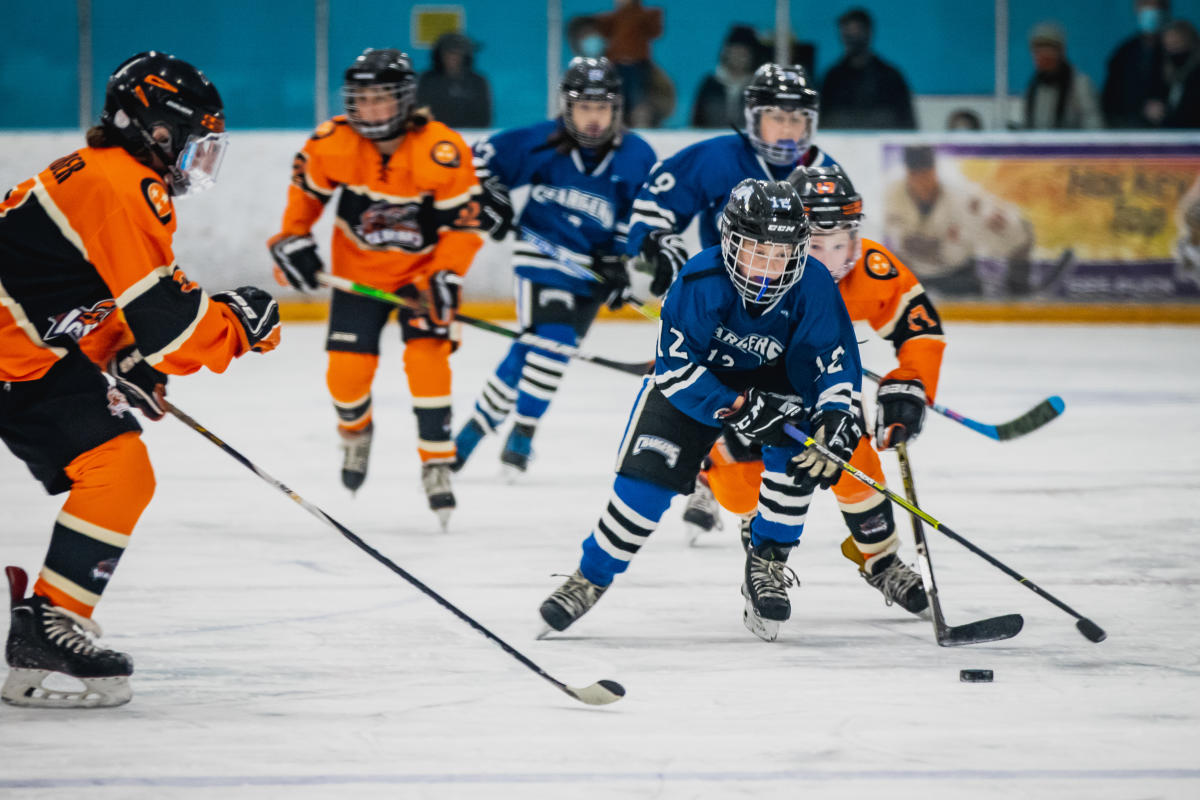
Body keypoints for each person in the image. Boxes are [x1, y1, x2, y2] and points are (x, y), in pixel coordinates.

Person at [1, 51, 281, 708]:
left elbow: (83, 293)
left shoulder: (115, 179)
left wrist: (122, 354)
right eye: (193, 141)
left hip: (28, 358)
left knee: (120, 469)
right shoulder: (122, 184)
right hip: (18, 357)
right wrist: (238, 325)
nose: (195, 158)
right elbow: (171, 324)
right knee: (119, 468)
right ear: (156, 128)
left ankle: (49, 624)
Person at [538, 179, 864, 642]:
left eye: (781, 254)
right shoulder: (698, 280)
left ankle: (767, 562)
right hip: (699, 389)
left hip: (778, 386)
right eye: (758, 251)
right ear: (730, 241)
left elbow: (834, 361)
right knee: (643, 485)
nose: (770, 267)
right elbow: (674, 372)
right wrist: (740, 407)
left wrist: (836, 418)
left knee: (802, 457)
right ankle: (591, 575)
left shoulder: (812, 284)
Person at [684, 165, 941, 617]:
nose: (831, 258)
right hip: (749, 391)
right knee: (742, 483)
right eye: (816, 244)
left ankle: (879, 559)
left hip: (819, 386)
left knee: (855, 458)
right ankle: (730, 500)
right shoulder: (743, 268)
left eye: (840, 242)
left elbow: (921, 328)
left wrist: (912, 381)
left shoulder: (872, 269)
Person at [267, 48, 486, 528]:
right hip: (359, 277)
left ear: (405, 101)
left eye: (381, 99)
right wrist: (293, 238)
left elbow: (465, 227)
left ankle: (436, 464)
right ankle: (355, 433)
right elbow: (303, 199)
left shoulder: (441, 149)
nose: (370, 110)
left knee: (427, 364)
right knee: (346, 374)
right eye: (361, 100)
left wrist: (446, 274)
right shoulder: (333, 143)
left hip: (421, 279)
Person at [625, 62, 840, 527]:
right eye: (776, 118)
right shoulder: (717, 157)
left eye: (797, 119)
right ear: (752, 118)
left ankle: (747, 495)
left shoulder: (823, 174)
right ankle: (705, 471)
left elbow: (837, 252)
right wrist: (657, 242)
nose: (787, 130)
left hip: (783, 322)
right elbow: (652, 205)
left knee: (777, 414)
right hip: (714, 312)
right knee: (702, 390)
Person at [451, 57, 657, 477]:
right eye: (585, 107)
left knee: (535, 347)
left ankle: (473, 430)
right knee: (556, 340)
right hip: (540, 257)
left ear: (616, 108)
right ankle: (522, 434)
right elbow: (477, 160)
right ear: (568, 107)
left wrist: (618, 263)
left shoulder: (636, 154)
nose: (593, 118)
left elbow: (637, 214)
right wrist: (494, 199)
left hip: (590, 272)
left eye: (602, 108)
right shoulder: (543, 140)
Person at [882, 145, 1034, 298]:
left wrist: (1018, 284)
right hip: (913, 277)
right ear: (908, 175)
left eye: (927, 175)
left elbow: (1019, 234)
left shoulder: (962, 199)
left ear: (934, 172)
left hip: (957, 277)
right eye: (916, 176)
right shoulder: (891, 196)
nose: (923, 183)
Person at [819, 8, 916, 130]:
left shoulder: (890, 77)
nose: (851, 37)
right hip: (840, 146)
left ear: (869, 32)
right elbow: (822, 123)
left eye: (857, 31)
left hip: (881, 146)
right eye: (846, 32)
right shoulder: (833, 78)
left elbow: (908, 126)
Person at [591, 0, 664, 126]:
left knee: (638, 97)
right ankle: (617, 124)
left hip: (638, 65)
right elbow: (601, 30)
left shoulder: (644, 15)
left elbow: (655, 31)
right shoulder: (613, 17)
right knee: (617, 97)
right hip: (617, 65)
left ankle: (641, 124)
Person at [1101, 0, 1170, 128]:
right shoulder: (1124, 53)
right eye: (1145, 6)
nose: (1151, 12)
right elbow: (1110, 99)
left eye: (1156, 6)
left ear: (1165, 10)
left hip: (1173, 134)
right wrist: (1140, 108)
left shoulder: (1178, 51)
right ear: (1137, 9)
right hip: (1130, 132)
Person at [1023, 22, 1103, 130]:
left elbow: (1093, 124)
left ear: (1061, 52)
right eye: (1037, 53)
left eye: (1048, 53)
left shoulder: (1078, 84)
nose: (1042, 58)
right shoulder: (1034, 87)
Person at [691, 25, 765, 129]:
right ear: (726, 52)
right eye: (734, 52)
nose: (738, 58)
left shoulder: (758, 88)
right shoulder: (710, 85)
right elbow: (696, 123)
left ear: (752, 56)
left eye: (744, 53)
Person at [416, 32, 492, 129]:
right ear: (439, 55)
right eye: (449, 53)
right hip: (434, 134)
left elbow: (484, 116)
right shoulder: (427, 80)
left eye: (458, 53)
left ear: (465, 56)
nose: (453, 57)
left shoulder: (478, 81)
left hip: (470, 135)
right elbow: (420, 111)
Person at [1161, 20, 1200, 128]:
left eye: (1177, 44)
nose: (1173, 50)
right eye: (1168, 46)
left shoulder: (1196, 75)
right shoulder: (1169, 76)